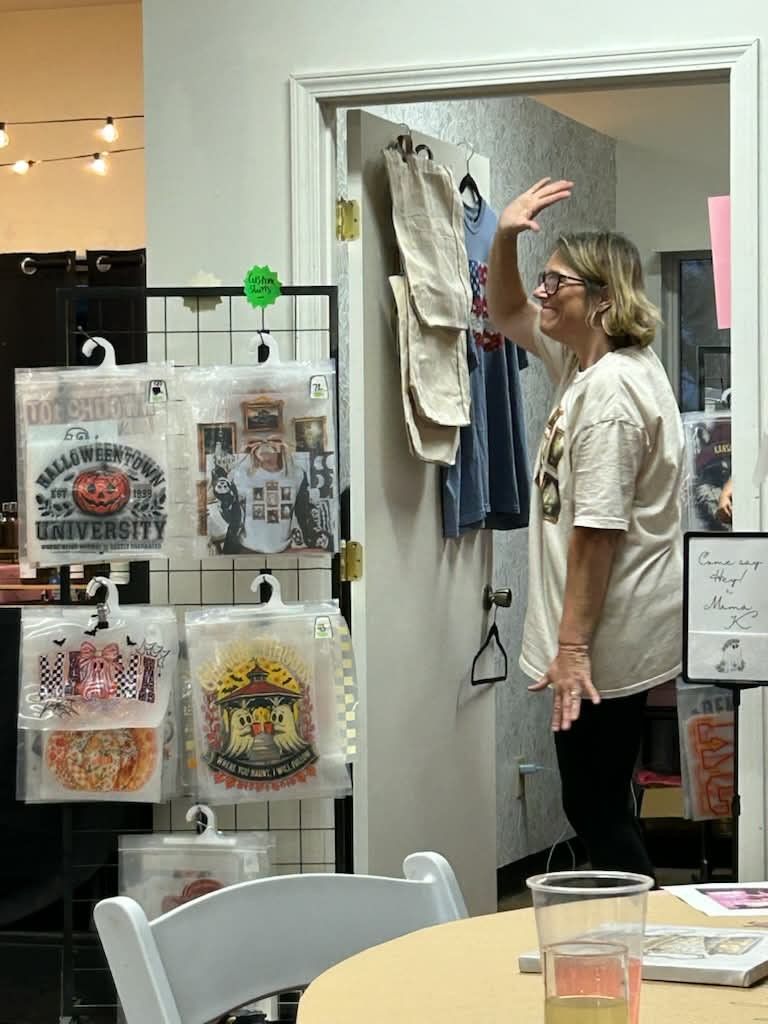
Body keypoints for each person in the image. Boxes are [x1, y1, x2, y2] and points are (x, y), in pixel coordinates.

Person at [487, 179, 684, 879]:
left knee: (594, 805)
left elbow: (597, 533)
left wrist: (571, 650)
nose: (542, 292)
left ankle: (641, 926)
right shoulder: (587, 365)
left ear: (602, 298)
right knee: (599, 800)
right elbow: (505, 309)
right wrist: (504, 236)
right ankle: (629, 924)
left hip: (603, 641)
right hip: (604, 634)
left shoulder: (609, 396)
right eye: (544, 279)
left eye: (557, 282)